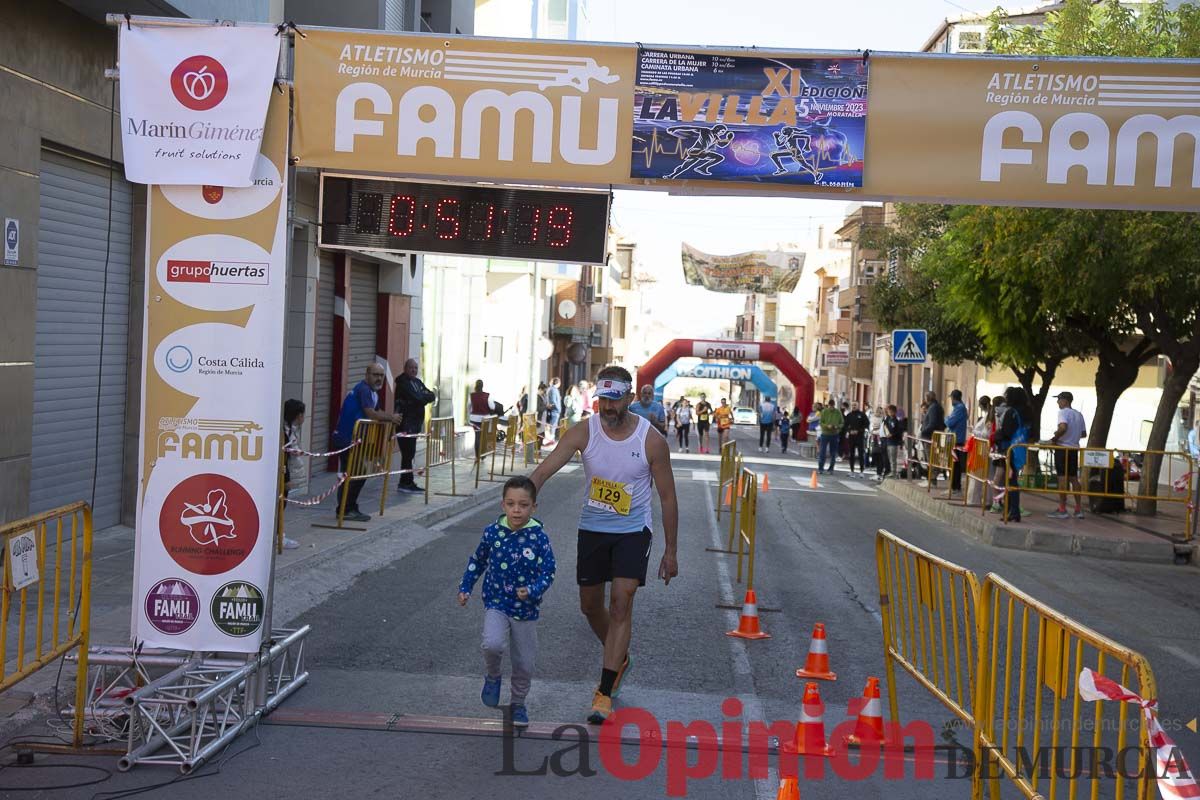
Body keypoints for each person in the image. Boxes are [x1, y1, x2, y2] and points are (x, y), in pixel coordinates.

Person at [529, 367, 679, 725]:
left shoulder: (651, 440)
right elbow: (544, 470)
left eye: (614, 401)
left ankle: (604, 690)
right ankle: (620, 656)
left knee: (621, 602)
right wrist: (521, 502)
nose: (608, 408)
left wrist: (670, 551)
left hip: (632, 530)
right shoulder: (584, 430)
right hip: (593, 529)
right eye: (603, 401)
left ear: (629, 398)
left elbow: (668, 498)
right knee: (589, 605)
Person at [458, 476, 556, 729]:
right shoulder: (493, 533)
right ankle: (493, 676)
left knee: (524, 662)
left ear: (534, 506)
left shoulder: (539, 537)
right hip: (497, 603)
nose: (516, 510)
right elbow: (477, 560)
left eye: (523, 505)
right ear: (503, 505)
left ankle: (518, 704)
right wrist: (465, 587)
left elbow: (549, 571)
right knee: (492, 644)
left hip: (526, 610)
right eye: (511, 504)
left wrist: (533, 590)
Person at [332, 365, 403, 521]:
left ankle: (348, 507)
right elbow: (370, 413)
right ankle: (345, 509)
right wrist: (391, 418)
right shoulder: (364, 389)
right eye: (375, 375)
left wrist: (389, 419)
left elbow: (377, 412)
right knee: (355, 473)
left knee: (355, 473)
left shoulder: (372, 393)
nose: (379, 378)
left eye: (381, 375)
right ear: (367, 375)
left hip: (355, 440)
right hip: (347, 440)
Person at [395, 358, 436, 494]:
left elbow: (431, 395)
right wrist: (421, 398)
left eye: (416, 368)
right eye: (411, 368)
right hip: (405, 425)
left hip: (415, 424)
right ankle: (405, 482)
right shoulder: (402, 383)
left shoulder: (417, 382)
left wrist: (421, 397)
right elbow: (417, 398)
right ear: (405, 368)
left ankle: (408, 481)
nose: (414, 370)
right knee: (407, 453)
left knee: (410, 453)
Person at [995, 386, 1034, 522]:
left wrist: (996, 436)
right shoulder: (1028, 412)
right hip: (1020, 448)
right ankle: (1012, 511)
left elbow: (1006, 432)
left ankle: (1013, 512)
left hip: (1009, 449)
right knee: (1013, 480)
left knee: (1010, 482)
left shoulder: (1012, 412)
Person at [1047, 391, 1087, 519]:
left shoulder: (1063, 412)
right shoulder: (1079, 414)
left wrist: (1054, 438)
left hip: (1062, 448)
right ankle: (1078, 508)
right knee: (1074, 478)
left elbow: (1063, 427)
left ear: (1065, 401)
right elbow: (1083, 434)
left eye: (1059, 399)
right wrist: (1072, 436)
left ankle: (1062, 509)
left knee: (1062, 478)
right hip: (1074, 449)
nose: (1057, 402)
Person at [280, 399, 305, 550]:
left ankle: (278, 536)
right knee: (280, 505)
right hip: (283, 476)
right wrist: (286, 480)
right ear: (299, 415)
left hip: (285, 475)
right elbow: (284, 458)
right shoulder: (285, 432)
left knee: (282, 505)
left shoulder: (290, 429)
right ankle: (279, 538)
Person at [967, 396, 992, 507]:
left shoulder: (989, 418)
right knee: (981, 475)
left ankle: (976, 499)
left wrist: (974, 431)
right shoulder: (986, 417)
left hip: (983, 448)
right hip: (981, 448)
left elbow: (986, 434)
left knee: (978, 475)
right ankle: (981, 499)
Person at [945, 390, 968, 494]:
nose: (951, 400)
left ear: (954, 398)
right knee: (954, 464)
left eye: (951, 398)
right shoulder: (959, 408)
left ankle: (955, 487)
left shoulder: (959, 408)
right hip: (956, 438)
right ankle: (954, 486)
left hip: (956, 439)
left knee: (955, 464)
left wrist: (946, 418)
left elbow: (949, 422)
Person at [920, 391, 945, 483]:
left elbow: (932, 423)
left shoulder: (934, 408)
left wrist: (924, 431)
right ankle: (930, 478)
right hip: (930, 436)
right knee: (930, 458)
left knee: (931, 457)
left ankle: (932, 478)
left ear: (928, 398)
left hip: (930, 436)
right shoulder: (934, 407)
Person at [817, 401, 844, 473]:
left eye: (832, 406)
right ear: (828, 405)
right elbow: (821, 422)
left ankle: (831, 468)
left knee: (833, 452)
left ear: (834, 405)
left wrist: (837, 426)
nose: (831, 407)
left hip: (834, 434)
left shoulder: (838, 412)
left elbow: (842, 423)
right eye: (830, 406)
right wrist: (826, 426)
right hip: (825, 434)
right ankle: (820, 468)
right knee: (822, 451)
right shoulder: (824, 412)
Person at [843, 403, 869, 475]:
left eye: (855, 405)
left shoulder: (862, 415)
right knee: (851, 454)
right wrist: (849, 431)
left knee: (861, 454)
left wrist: (859, 430)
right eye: (853, 405)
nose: (854, 406)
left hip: (860, 436)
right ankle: (852, 470)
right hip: (851, 437)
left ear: (858, 406)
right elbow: (845, 425)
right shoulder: (849, 415)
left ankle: (861, 471)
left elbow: (867, 424)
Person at [882, 405, 905, 480]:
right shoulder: (888, 419)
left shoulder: (896, 421)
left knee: (893, 458)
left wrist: (892, 434)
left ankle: (893, 472)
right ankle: (891, 471)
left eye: (891, 412)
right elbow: (885, 427)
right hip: (888, 441)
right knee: (889, 457)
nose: (889, 413)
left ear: (894, 412)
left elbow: (899, 431)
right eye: (888, 412)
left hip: (893, 442)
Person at [545, 378, 563, 445]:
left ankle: (552, 438)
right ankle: (551, 439)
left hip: (555, 410)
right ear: (558, 383)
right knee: (553, 425)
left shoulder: (553, 389)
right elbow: (553, 401)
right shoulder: (553, 390)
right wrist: (558, 408)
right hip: (554, 411)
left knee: (553, 425)